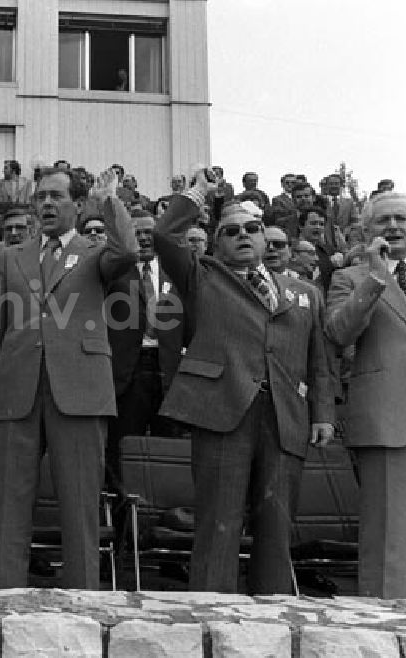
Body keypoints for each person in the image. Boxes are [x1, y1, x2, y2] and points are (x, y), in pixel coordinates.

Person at [153, 171, 334, 594]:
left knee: (276, 524)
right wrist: (198, 192)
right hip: (223, 411)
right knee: (219, 523)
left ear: (266, 238)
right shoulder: (203, 278)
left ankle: (272, 617)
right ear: (217, 244)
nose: (242, 236)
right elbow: (164, 235)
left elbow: (319, 361)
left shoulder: (304, 291)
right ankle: (212, 618)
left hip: (285, 417)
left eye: (252, 228)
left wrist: (323, 414)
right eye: (230, 231)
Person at [0, 168, 137, 590]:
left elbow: (128, 253)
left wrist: (110, 203)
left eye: (56, 197)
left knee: (80, 507)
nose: (46, 204)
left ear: (77, 206)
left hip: (79, 390)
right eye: (40, 197)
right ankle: (5, 598)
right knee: (10, 505)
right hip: (17, 390)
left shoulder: (95, 251)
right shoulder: (12, 256)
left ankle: (83, 602)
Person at [324, 192, 406, 599]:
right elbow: (338, 333)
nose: (393, 226)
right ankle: (382, 621)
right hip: (386, 410)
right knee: (387, 525)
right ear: (366, 232)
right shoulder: (350, 278)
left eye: (402, 219)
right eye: (382, 220)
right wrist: (374, 277)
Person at [106, 210, 185, 493]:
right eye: (136, 233)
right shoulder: (115, 273)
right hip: (128, 373)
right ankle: (126, 528)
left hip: (168, 374)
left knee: (170, 454)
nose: (143, 238)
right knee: (121, 453)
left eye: (149, 232)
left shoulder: (176, 273)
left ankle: (168, 523)